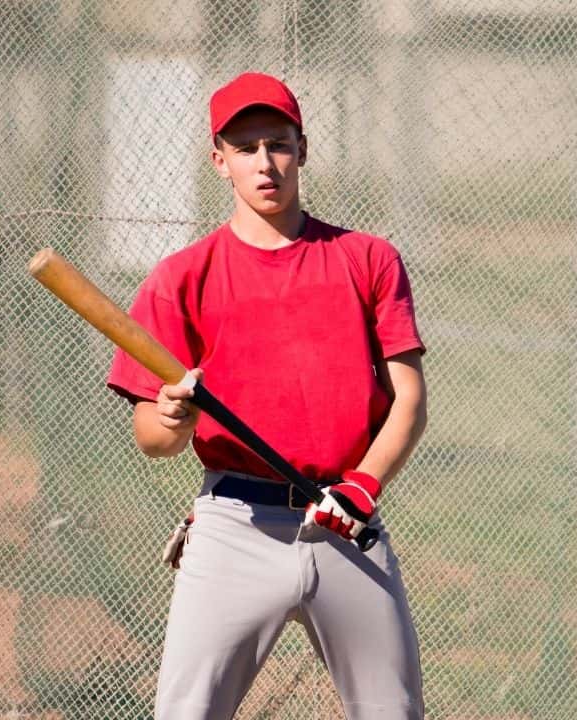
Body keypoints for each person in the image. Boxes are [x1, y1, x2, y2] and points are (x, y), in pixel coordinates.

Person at [106, 72, 427, 720]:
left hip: (344, 520)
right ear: (218, 159)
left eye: (277, 144)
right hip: (234, 528)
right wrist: (171, 416)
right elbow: (153, 438)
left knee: (393, 712)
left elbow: (410, 398)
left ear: (302, 149)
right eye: (245, 147)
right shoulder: (181, 279)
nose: (264, 163)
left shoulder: (366, 258)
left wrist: (366, 482)